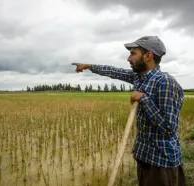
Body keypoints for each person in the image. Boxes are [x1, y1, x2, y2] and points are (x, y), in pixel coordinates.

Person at [72, 36, 187, 186]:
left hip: (162, 162)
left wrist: (144, 99)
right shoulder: (139, 77)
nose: (128, 58)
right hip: (144, 156)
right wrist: (88, 66)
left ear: (148, 56)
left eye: (133, 53)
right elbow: (114, 71)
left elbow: (168, 128)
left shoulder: (165, 82)